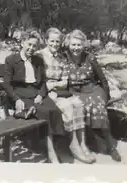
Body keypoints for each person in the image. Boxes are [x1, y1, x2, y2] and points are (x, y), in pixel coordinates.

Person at [3, 30, 64, 163]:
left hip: (36, 93)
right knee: (45, 113)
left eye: (35, 46)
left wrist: (41, 95)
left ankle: (57, 145)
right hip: (20, 94)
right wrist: (16, 99)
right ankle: (50, 151)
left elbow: (42, 82)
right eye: (29, 44)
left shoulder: (38, 60)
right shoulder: (12, 60)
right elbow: (7, 85)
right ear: (22, 43)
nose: (31, 48)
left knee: (55, 111)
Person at [37, 28, 95, 164]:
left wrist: (53, 85)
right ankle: (73, 144)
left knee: (79, 104)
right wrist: (50, 86)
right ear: (46, 40)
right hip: (45, 94)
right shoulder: (39, 56)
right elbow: (39, 80)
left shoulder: (61, 58)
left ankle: (82, 143)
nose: (55, 44)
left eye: (57, 41)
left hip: (57, 92)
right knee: (68, 106)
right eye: (52, 41)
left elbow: (64, 82)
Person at [64, 29, 122, 162]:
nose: (76, 48)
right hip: (73, 91)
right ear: (68, 44)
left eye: (79, 45)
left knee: (98, 107)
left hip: (92, 89)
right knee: (78, 105)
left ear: (84, 45)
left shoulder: (90, 57)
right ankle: (85, 142)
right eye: (73, 44)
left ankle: (110, 146)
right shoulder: (64, 57)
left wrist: (105, 96)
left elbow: (102, 79)